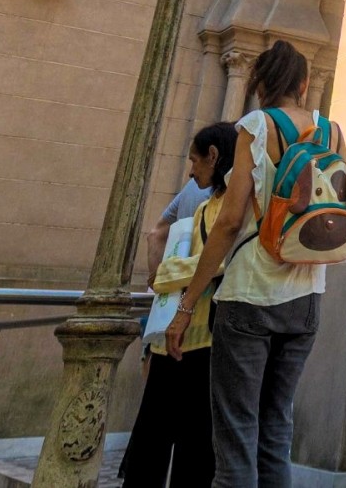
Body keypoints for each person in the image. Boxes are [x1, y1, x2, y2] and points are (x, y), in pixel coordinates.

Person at [167, 40, 346, 488]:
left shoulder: (255, 126)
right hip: (308, 295)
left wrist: (187, 305)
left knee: (236, 433)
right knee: (276, 429)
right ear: (304, 83)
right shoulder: (332, 132)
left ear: (260, 85)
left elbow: (229, 221)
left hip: (250, 293)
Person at [123, 122, 237, 488]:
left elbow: (221, 260)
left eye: (194, 160)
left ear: (213, 156)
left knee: (189, 444)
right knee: (159, 440)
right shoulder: (205, 207)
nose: (191, 170)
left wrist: (165, 274)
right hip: (177, 335)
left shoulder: (231, 208)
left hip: (203, 338)